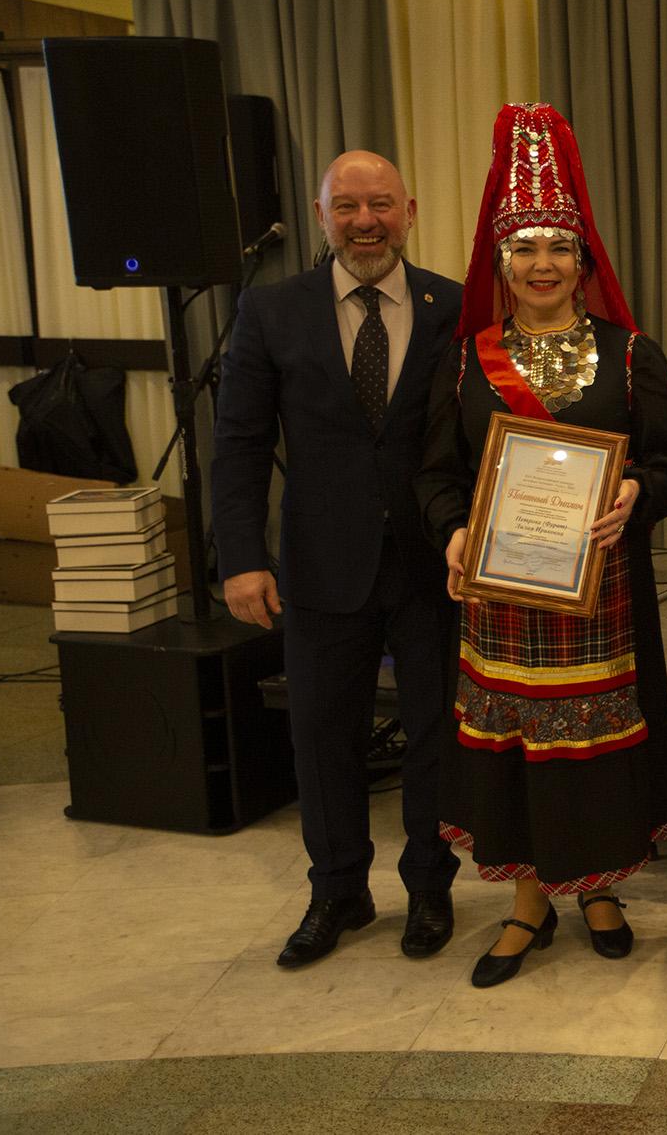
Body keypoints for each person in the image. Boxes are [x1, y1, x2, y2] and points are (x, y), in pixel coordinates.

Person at [413, 103, 667, 988]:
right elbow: (436, 474)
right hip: (502, 594)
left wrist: (637, 492)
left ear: (584, 261)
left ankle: (598, 888)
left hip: (602, 592)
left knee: (596, 748)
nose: (542, 264)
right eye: (525, 248)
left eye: (558, 248)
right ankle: (529, 902)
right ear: (502, 262)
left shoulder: (632, 355)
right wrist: (455, 532)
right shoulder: (468, 361)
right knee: (519, 750)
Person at [213, 151, 463, 967]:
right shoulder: (271, 309)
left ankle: (430, 885)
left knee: (435, 734)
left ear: (409, 211)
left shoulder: (455, 307)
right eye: (347, 206)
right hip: (319, 565)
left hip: (432, 564)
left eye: (380, 204)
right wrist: (241, 558)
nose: (365, 221)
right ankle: (338, 890)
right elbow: (240, 442)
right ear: (321, 216)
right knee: (323, 736)